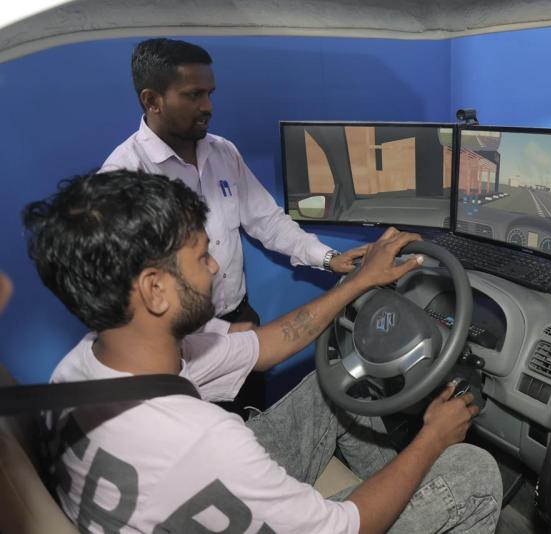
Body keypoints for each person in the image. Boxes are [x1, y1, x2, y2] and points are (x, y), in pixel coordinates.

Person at [24, 170, 502, 533]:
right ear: (155, 290)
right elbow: (345, 528)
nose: (216, 268)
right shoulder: (207, 440)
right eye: (202, 256)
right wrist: (433, 438)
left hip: (178, 496)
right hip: (233, 490)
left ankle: (399, 482)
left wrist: (359, 281)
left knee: (333, 385)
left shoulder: (79, 368)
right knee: (475, 471)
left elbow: (268, 345)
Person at [101, 37, 364, 330]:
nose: (208, 107)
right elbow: (124, 286)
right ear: (152, 101)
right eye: (194, 95)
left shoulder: (224, 152)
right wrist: (218, 336)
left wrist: (329, 259)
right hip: (179, 336)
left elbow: (267, 221)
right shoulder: (124, 175)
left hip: (239, 317)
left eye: (210, 94)